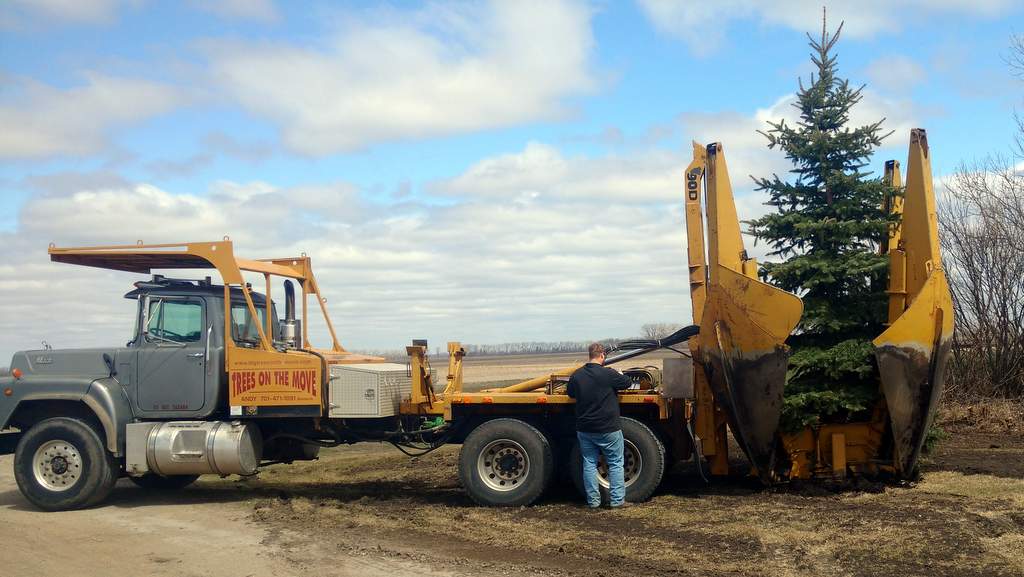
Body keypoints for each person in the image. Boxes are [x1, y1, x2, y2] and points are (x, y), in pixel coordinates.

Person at [566, 342, 631, 509]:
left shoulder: (577, 375)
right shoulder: (608, 373)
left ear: (589, 355)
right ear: (602, 356)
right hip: (608, 427)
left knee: (589, 463)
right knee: (616, 462)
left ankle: (593, 502)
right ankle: (617, 501)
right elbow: (627, 383)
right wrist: (620, 374)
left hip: (585, 428)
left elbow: (571, 393)